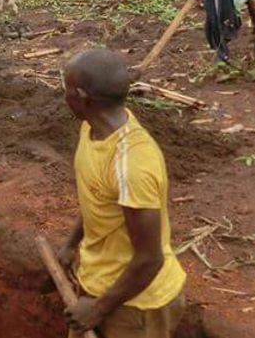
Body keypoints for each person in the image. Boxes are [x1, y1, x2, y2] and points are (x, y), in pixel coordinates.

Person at [56, 49, 187, 338]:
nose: (63, 96)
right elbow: (97, 197)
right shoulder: (90, 129)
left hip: (135, 305)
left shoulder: (132, 165)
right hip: (98, 283)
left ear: (81, 96)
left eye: (65, 89)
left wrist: (98, 309)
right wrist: (71, 244)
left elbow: (150, 258)